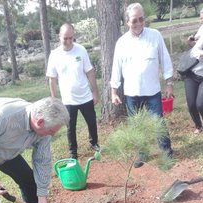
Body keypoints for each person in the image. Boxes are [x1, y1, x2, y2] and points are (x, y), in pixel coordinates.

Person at [110, 2, 174, 168]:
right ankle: (142, 153)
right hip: (131, 93)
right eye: (134, 20)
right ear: (127, 22)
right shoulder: (121, 42)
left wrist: (169, 83)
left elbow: (165, 60)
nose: (138, 23)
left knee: (158, 123)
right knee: (136, 125)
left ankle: (166, 151)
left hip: (152, 91)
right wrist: (114, 91)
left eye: (141, 19)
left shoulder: (155, 35)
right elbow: (116, 67)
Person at [46, 23, 100, 159]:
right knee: (70, 127)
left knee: (91, 122)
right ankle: (73, 151)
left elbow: (90, 71)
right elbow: (52, 79)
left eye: (71, 38)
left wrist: (94, 92)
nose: (69, 41)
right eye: (65, 38)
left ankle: (94, 143)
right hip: (68, 99)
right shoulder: (54, 55)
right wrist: (54, 100)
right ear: (59, 37)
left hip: (85, 96)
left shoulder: (81, 50)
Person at [183, 35, 203, 134]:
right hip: (191, 74)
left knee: (200, 104)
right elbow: (194, 51)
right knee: (191, 105)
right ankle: (198, 126)